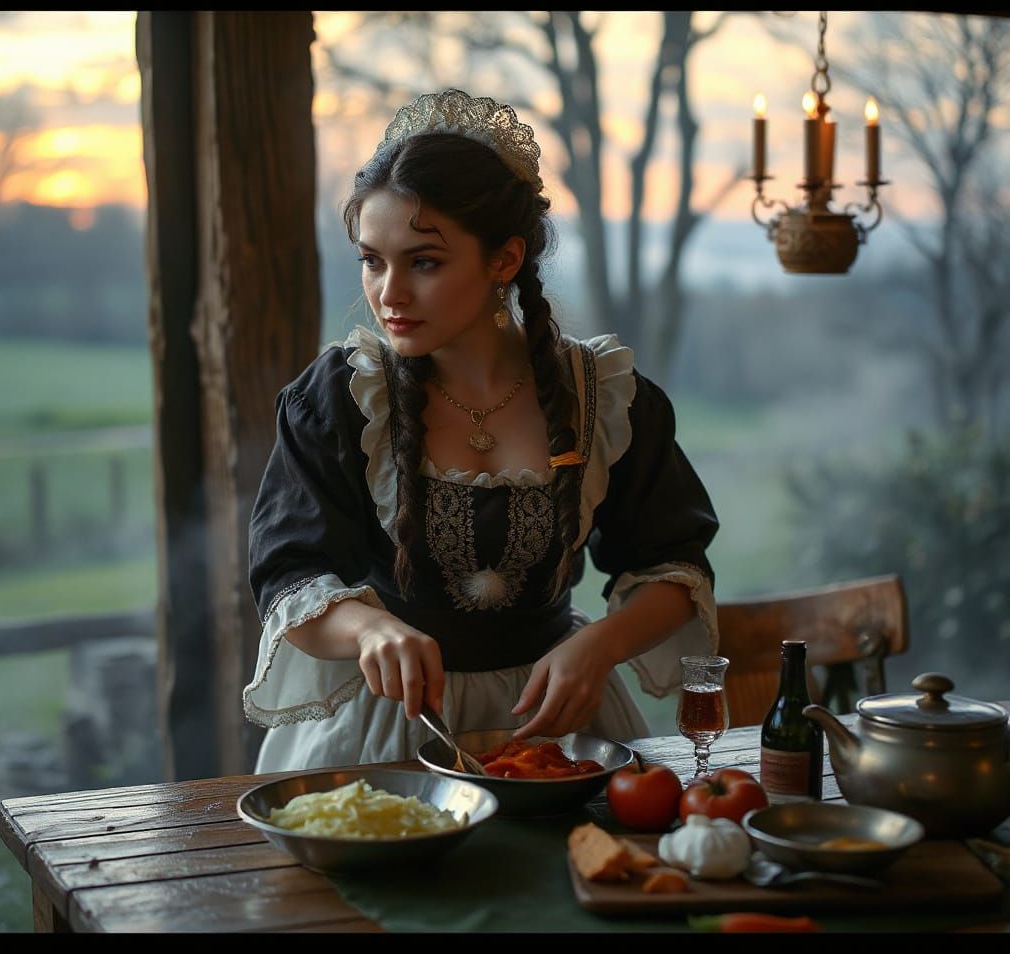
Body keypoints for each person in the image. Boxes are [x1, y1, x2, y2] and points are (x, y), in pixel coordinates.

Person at [244, 88, 719, 773]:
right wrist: (371, 627)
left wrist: (601, 645)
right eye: (373, 260)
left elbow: (675, 567)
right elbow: (290, 579)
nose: (390, 294)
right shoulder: (343, 396)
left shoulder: (602, 396)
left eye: (424, 262)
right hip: (387, 735)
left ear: (503, 261)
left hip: (557, 727)